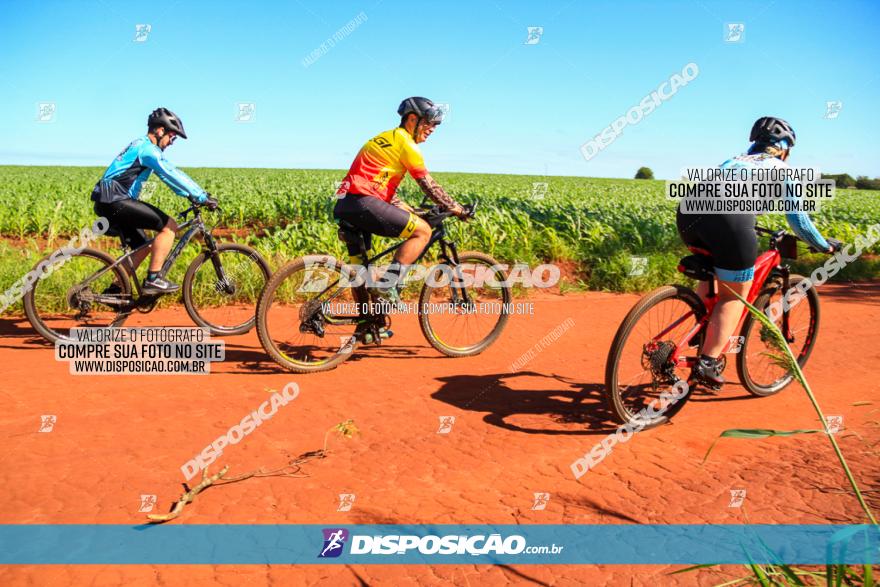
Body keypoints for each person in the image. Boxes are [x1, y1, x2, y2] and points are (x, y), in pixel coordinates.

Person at [677, 116, 841, 389]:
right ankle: (707, 363)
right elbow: (799, 220)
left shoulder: (733, 160)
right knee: (734, 296)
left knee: (714, 267)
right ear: (784, 148)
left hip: (688, 214)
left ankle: (701, 325)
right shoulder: (781, 169)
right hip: (731, 219)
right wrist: (824, 245)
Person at [333, 97, 468, 308]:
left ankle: (367, 325)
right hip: (364, 202)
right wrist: (456, 208)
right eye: (428, 122)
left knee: (361, 272)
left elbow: (375, 179)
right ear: (412, 119)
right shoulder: (407, 143)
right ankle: (388, 285)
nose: (432, 128)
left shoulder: (385, 138)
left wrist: (406, 207)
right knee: (422, 231)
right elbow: (428, 185)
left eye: (435, 125)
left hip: (346, 204)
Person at [90, 108, 217, 294]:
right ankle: (153, 279)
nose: (172, 142)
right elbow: (169, 173)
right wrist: (201, 196)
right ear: (160, 131)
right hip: (116, 200)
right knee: (169, 226)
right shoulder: (148, 150)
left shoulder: (140, 145)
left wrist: (189, 194)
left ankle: (116, 289)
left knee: (144, 245)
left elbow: (166, 178)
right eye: (172, 137)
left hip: (110, 201)